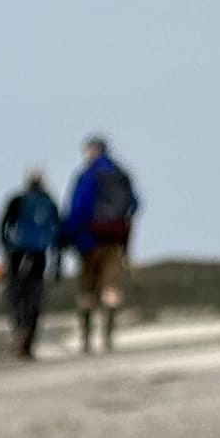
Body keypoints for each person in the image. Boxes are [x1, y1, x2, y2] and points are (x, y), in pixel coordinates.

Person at [62, 136, 141, 351]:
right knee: (112, 287)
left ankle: (86, 340)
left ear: (92, 150)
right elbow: (135, 203)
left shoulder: (87, 176)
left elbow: (78, 208)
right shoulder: (120, 173)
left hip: (89, 240)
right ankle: (108, 338)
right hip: (115, 240)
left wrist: (68, 235)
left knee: (87, 289)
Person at [0, 168, 62, 358]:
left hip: (17, 252)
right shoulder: (49, 202)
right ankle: (29, 334)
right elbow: (57, 233)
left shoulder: (17, 200)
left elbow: (2, 225)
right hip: (39, 253)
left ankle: (20, 329)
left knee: (16, 292)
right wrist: (57, 264)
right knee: (35, 293)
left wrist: (6, 246)